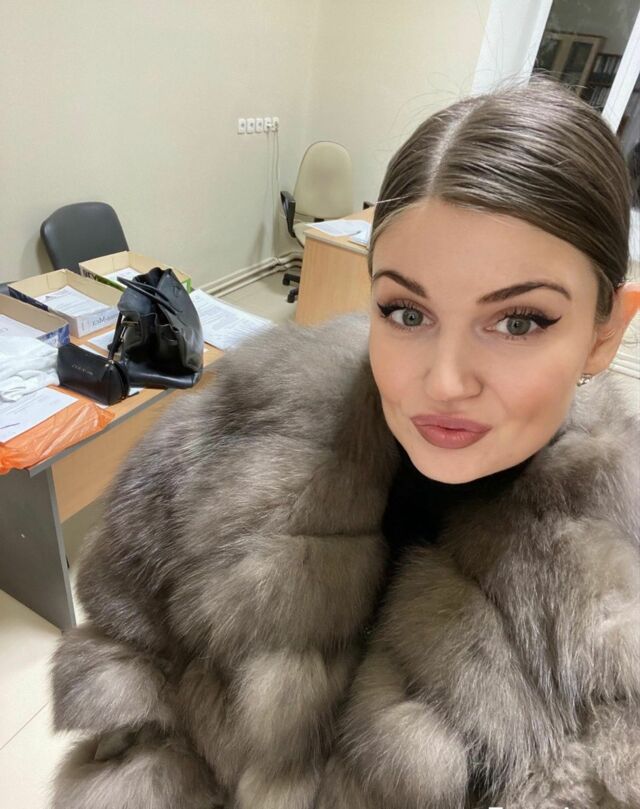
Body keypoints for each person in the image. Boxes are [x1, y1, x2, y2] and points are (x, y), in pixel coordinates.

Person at [51, 76, 639, 809]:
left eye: (518, 321)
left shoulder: (617, 612)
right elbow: (126, 675)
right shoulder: (224, 440)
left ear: (605, 332)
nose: (444, 382)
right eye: (406, 311)